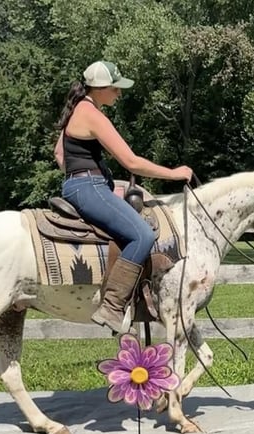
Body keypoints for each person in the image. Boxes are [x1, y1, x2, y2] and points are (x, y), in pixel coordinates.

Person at [54, 60, 193, 334]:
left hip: (80, 185)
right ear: (100, 88)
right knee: (142, 234)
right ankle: (112, 306)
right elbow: (132, 162)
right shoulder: (92, 114)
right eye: (115, 89)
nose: (119, 94)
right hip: (89, 187)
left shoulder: (76, 110)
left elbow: (60, 156)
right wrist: (175, 173)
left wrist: (89, 172)